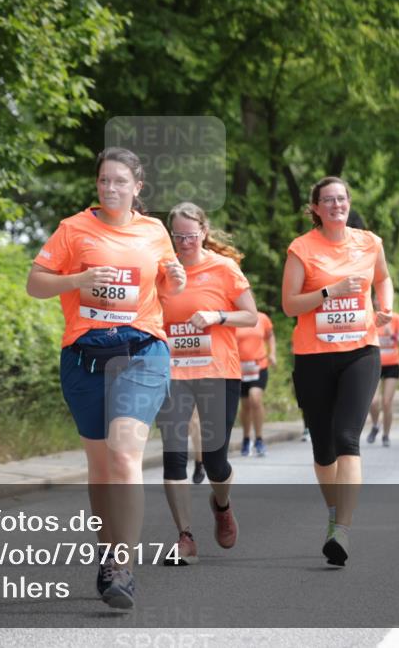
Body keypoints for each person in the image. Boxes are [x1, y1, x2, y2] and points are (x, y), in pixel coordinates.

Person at [26, 147, 186, 609]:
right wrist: (78, 281)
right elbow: (35, 284)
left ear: (137, 187)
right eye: (103, 181)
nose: (110, 188)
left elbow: (168, 293)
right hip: (85, 357)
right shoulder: (73, 230)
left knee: (122, 455)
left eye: (120, 181)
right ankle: (106, 552)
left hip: (141, 353)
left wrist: (174, 280)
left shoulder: (154, 231)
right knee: (100, 469)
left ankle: (123, 566)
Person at [282, 176, 394, 567]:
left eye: (341, 199)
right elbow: (290, 306)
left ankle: (342, 529)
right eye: (327, 200)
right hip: (314, 355)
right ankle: (334, 515)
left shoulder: (369, 242)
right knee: (323, 448)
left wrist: (386, 307)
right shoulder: (302, 249)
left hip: (361, 351)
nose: (336, 205)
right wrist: (331, 291)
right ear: (315, 208)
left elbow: (382, 277)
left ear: (348, 203)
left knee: (348, 437)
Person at [156, 202, 257, 566]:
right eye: (178, 236)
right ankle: (185, 537)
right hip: (172, 373)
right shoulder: (161, 272)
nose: (184, 242)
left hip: (217, 371)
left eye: (190, 235)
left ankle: (222, 503)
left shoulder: (224, 267)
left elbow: (251, 316)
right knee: (173, 454)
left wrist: (217, 316)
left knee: (215, 461)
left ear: (204, 232)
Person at [237, 310, 277, 457]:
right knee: (245, 404)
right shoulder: (234, 319)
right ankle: (246, 438)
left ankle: (259, 438)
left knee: (255, 398)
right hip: (240, 367)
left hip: (259, 365)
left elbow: (270, 336)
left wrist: (272, 353)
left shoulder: (262, 318)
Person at [366, 303, 399, 447]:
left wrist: (392, 335)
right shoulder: (369, 316)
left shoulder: (395, 318)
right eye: (378, 300)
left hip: (392, 365)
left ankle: (386, 435)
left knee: (387, 402)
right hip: (374, 363)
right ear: (375, 301)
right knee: (372, 401)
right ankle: (376, 425)